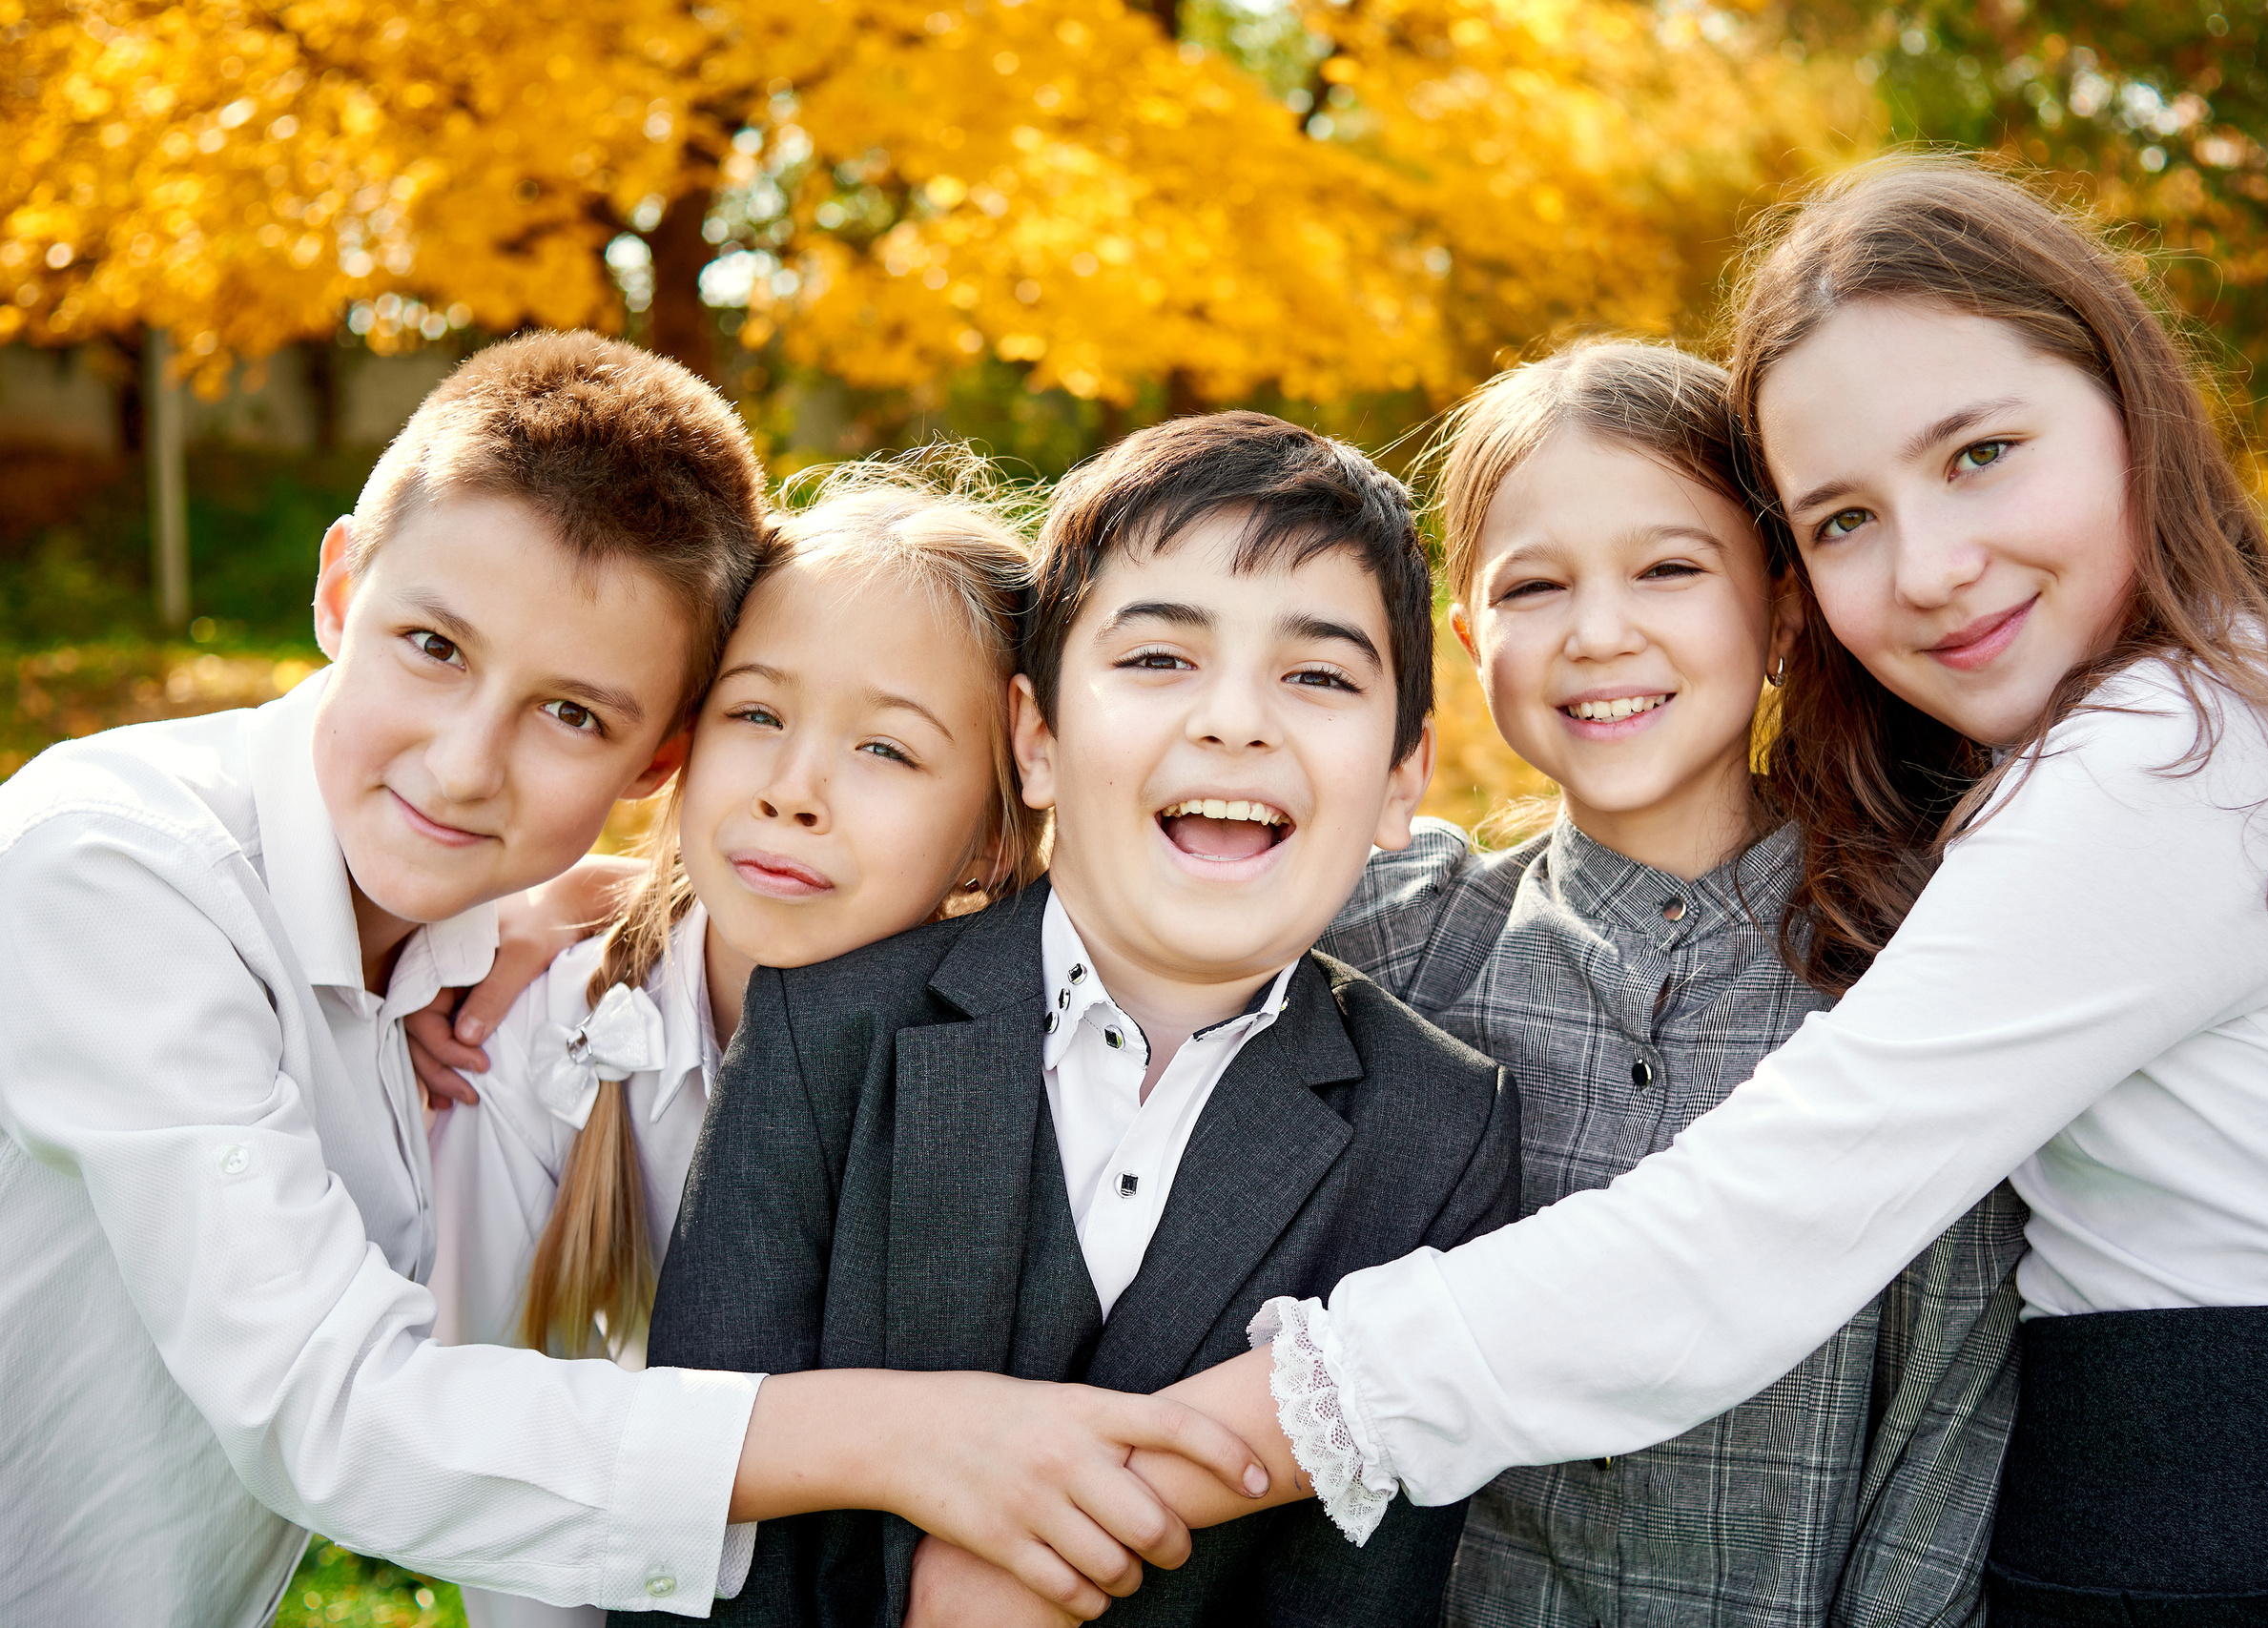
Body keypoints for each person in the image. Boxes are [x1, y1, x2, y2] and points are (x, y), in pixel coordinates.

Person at [1152, 156, 2268, 1624]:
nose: (1936, 568)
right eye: (1844, 519)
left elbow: (1740, 1241)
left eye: (1980, 452)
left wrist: (1140, 1467)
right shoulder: (2067, 775)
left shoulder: (2181, 762)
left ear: (2128, 401)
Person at [0, 335, 1265, 1628]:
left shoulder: (471, 951)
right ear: (339, 587)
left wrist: (586, 898)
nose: (462, 766)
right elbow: (333, 1409)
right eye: (432, 643)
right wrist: (897, 1433)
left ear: (654, 753)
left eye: (574, 715)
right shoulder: (116, 873)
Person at [623, 411, 1521, 1627]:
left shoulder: (1441, 1123)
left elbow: (1359, 1588)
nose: (1234, 721)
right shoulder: (828, 1029)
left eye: (1315, 675)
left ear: (1404, 774)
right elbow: (702, 1505)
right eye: (1158, 660)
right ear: (1036, 740)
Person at [1312, 338, 2025, 1628]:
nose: (1598, 631)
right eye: (1536, 587)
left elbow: (1949, 1426)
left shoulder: (1925, 953)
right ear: (1471, 641)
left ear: (1785, 610)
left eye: (1669, 568)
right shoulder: (1396, 947)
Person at [426, 459, 1051, 1628]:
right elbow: (491, 1456)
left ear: (992, 837)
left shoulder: (1042, 1074)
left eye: (889, 750)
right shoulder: (535, 1034)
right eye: (755, 714)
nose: (793, 791)